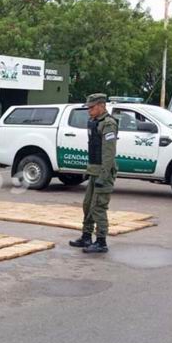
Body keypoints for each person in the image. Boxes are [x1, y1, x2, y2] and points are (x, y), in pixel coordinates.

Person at [69, 93, 118, 253]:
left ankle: (101, 242)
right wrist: (89, 170)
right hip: (94, 170)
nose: (89, 111)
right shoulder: (94, 121)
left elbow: (108, 154)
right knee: (87, 205)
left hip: (104, 173)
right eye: (88, 108)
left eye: (91, 107)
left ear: (101, 106)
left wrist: (103, 176)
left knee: (98, 207)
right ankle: (86, 236)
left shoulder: (108, 124)